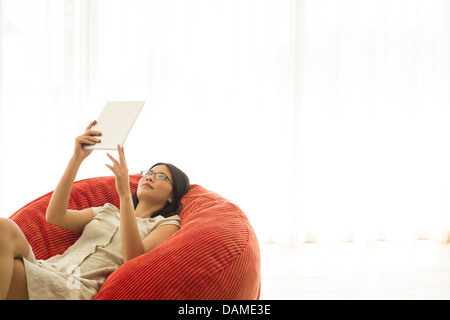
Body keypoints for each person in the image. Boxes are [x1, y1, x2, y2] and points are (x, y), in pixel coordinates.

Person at [0, 120, 190, 300]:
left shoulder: (167, 223)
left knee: (13, 267)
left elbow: (134, 258)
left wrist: (124, 195)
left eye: (160, 177)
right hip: (47, 268)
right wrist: (76, 159)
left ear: (172, 196)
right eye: (148, 173)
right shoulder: (107, 211)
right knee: (4, 228)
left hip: (72, 287)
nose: (149, 177)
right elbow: (55, 216)